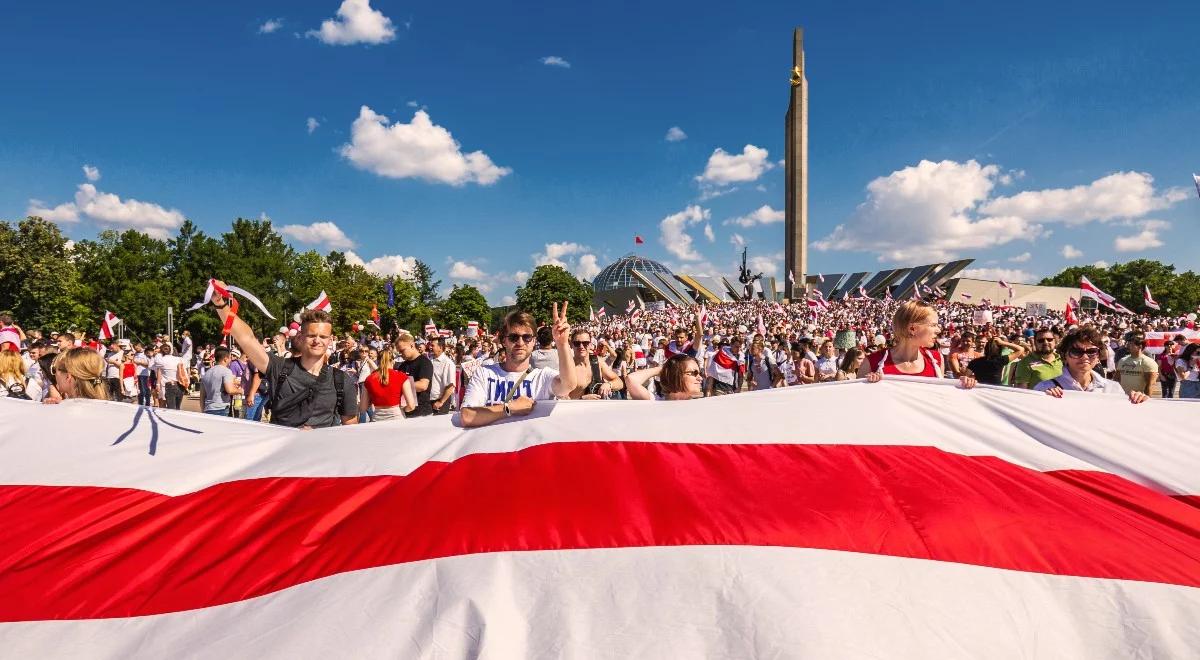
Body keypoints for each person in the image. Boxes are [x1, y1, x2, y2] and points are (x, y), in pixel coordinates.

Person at [211, 283, 358, 428]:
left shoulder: (341, 381)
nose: (317, 341)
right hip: (282, 450)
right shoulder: (280, 368)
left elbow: (350, 428)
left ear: (330, 340)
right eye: (311, 335)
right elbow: (247, 339)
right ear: (300, 337)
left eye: (323, 336)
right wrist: (219, 304)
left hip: (321, 451)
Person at [459, 303, 577, 428]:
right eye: (514, 337)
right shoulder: (484, 373)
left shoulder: (542, 377)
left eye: (527, 337)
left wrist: (562, 343)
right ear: (504, 341)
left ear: (534, 341)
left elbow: (569, 385)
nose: (520, 343)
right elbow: (467, 416)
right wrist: (510, 408)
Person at [861, 300, 977, 388]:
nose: (938, 330)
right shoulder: (872, 363)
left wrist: (962, 385)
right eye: (933, 325)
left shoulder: (936, 360)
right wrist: (868, 386)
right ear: (912, 329)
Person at [1035, 328, 1148, 403]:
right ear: (1065, 355)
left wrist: (1139, 402)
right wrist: (1045, 401)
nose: (1085, 357)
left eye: (1091, 352)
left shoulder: (1112, 388)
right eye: (1076, 351)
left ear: (1098, 356)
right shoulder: (1044, 388)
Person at [565, 328, 624, 400]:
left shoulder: (597, 362)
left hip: (597, 408)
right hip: (577, 409)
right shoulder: (568, 368)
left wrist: (608, 385)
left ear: (590, 344)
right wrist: (582, 399)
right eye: (577, 343)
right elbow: (561, 398)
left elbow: (620, 382)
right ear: (572, 345)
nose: (581, 346)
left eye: (585, 343)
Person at [361, 348, 416, 421]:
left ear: (378, 361)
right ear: (393, 361)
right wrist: (403, 409)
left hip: (377, 418)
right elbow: (411, 406)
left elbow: (363, 407)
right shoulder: (402, 377)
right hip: (397, 416)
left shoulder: (369, 379)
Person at [624, 354, 704, 400]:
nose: (700, 378)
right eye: (694, 373)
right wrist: (665, 369)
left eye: (699, 373)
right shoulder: (656, 401)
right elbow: (630, 379)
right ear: (675, 375)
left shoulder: (705, 403)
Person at [394, 333, 435, 417]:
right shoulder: (402, 365)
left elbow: (423, 385)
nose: (401, 354)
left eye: (402, 350)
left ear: (412, 345)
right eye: (399, 352)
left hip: (422, 412)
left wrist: (402, 386)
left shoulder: (424, 362)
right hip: (405, 411)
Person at [199, 347, 241, 416]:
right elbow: (230, 390)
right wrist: (240, 391)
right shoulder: (226, 371)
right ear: (225, 359)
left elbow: (202, 396)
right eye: (230, 357)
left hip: (208, 409)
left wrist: (203, 411)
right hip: (221, 408)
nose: (231, 360)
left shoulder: (207, 373)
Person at [1115, 334, 1157, 398]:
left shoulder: (1148, 362)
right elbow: (1116, 379)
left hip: (1138, 399)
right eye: (1128, 344)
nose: (1128, 346)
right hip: (1122, 398)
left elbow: (1150, 385)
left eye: (1131, 344)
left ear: (1140, 347)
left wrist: (1147, 400)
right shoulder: (1122, 360)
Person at [151, 343, 188, 410]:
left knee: (170, 409)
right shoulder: (179, 359)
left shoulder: (161, 360)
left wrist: (158, 353)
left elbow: (151, 366)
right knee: (177, 408)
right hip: (180, 385)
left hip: (168, 386)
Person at [428, 337, 457, 415]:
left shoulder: (448, 363)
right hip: (429, 401)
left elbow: (451, 386)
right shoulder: (429, 360)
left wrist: (441, 402)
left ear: (440, 347)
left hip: (440, 403)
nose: (430, 347)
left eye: (432, 345)